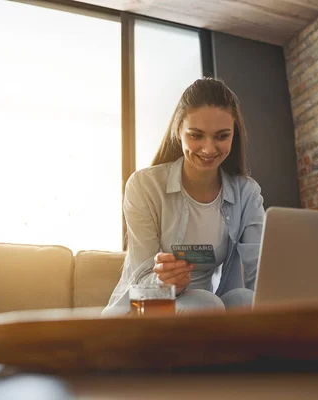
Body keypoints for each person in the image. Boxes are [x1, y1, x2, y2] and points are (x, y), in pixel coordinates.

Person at [103, 77, 265, 316]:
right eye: (196, 135)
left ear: (234, 135)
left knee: (244, 299)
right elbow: (139, 285)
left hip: (207, 309)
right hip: (144, 305)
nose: (209, 149)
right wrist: (164, 282)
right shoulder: (144, 186)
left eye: (222, 136)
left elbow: (260, 271)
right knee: (204, 304)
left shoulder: (246, 192)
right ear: (179, 130)